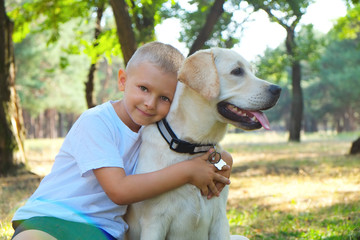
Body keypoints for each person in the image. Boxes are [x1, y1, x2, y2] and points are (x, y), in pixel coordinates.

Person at [11, 42, 232, 240]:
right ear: (123, 81)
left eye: (165, 98)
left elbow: (205, 154)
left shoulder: (160, 133)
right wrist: (188, 172)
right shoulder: (96, 122)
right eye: (143, 88)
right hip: (51, 217)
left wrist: (224, 160)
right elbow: (119, 191)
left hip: (102, 230)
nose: (150, 103)